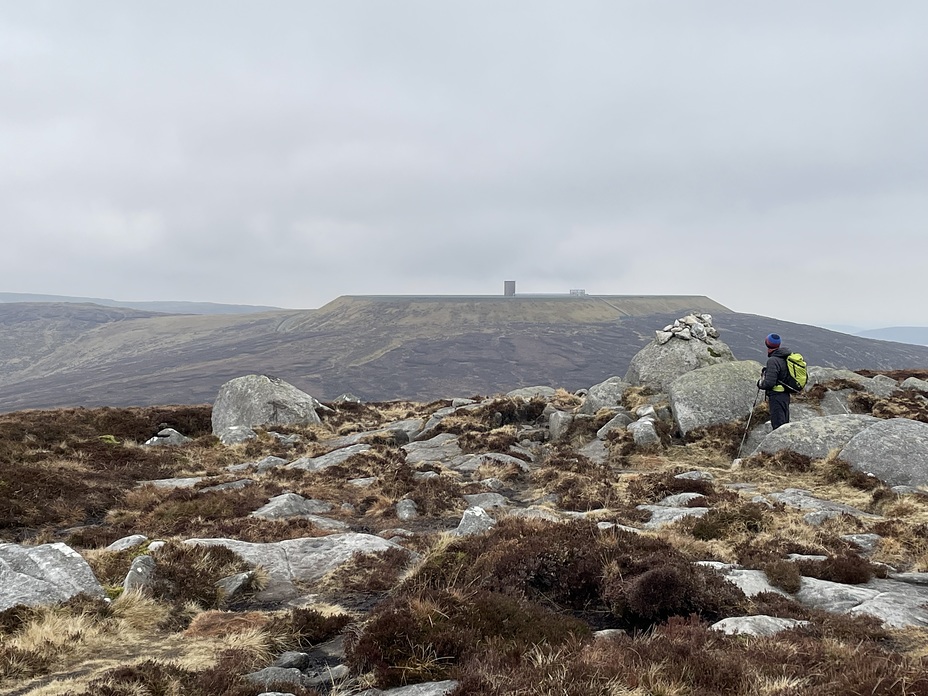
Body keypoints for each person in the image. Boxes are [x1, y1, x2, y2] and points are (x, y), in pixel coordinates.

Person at [757, 333, 792, 429]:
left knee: (778, 425)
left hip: (777, 396)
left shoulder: (773, 360)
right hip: (785, 395)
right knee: (784, 422)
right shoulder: (785, 357)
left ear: (767, 344)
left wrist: (760, 383)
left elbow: (769, 383)